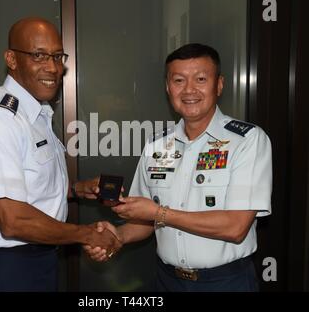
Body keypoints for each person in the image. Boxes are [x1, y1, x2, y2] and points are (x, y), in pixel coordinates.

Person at [85, 43, 272, 292]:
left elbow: (235, 227)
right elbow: (145, 219)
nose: (189, 90)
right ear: (167, 87)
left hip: (225, 283)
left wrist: (159, 213)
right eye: (179, 80)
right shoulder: (156, 145)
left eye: (201, 79)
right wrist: (119, 237)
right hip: (167, 280)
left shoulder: (247, 141)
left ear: (219, 84)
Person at [0, 17, 120, 292]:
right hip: (8, 268)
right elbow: (12, 219)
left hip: (36, 260)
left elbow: (30, 188)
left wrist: (76, 190)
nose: (53, 67)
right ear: (11, 59)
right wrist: (86, 234)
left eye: (57, 56)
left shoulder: (36, 113)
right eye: (39, 55)